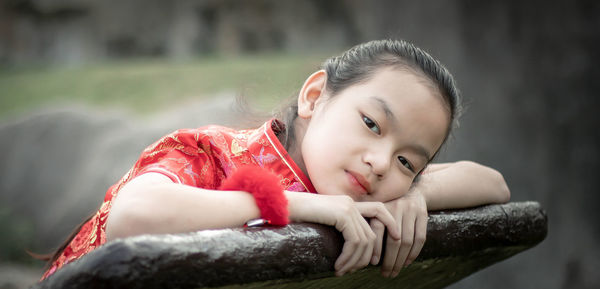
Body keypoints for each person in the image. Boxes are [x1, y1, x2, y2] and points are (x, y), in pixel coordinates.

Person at [39, 39, 510, 280]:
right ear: (314, 96)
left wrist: (417, 194)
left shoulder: (387, 188)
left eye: (409, 161)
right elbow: (132, 216)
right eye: (371, 124)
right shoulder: (209, 152)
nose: (382, 163)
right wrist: (296, 205)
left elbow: (492, 184)